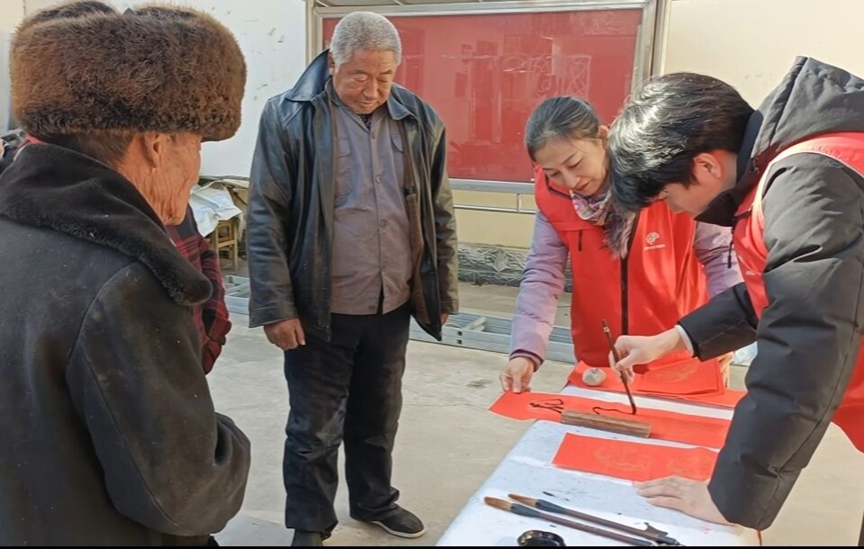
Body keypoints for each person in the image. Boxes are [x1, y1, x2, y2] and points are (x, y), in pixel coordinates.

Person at [0, 2, 251, 545]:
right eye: (197, 144)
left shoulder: (14, 225)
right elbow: (186, 497)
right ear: (156, 145)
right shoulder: (128, 280)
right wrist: (225, 441)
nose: (197, 168)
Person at [607, 57, 864, 532]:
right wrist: (674, 338)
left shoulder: (807, 180)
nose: (677, 213)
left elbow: (807, 338)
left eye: (667, 198)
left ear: (705, 165)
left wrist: (730, 497)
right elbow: (785, 291)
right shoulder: (796, 166)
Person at [246, 11, 458, 547]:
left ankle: (374, 501)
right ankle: (311, 523)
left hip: (391, 303)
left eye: (385, 77)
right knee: (314, 427)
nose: (372, 90)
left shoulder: (419, 118)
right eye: (360, 75)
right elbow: (265, 215)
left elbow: (439, 210)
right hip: (319, 306)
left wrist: (441, 288)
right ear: (333, 62)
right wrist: (276, 305)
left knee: (378, 415)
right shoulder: (289, 116)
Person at [500, 97, 740, 395]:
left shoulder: (661, 175)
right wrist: (525, 350)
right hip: (603, 361)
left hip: (679, 350)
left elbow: (721, 255)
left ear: (602, 138)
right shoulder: (552, 199)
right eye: (553, 173)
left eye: (575, 163)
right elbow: (542, 273)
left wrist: (721, 331)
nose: (570, 180)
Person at [166, 206, 233, 374]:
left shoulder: (177, 205)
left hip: (194, 352)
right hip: (135, 368)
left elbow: (205, 254)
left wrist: (214, 323)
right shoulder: (110, 216)